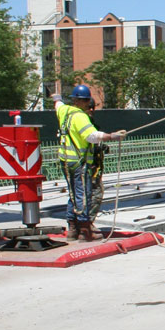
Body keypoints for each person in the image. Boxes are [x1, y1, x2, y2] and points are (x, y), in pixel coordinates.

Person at [54, 85, 125, 241]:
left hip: (66, 160)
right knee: (83, 195)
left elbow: (57, 104)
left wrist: (56, 98)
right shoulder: (80, 116)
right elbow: (91, 136)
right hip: (79, 162)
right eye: (87, 102)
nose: (88, 106)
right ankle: (85, 229)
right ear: (82, 101)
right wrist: (113, 136)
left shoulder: (64, 111)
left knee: (73, 194)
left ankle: (72, 228)